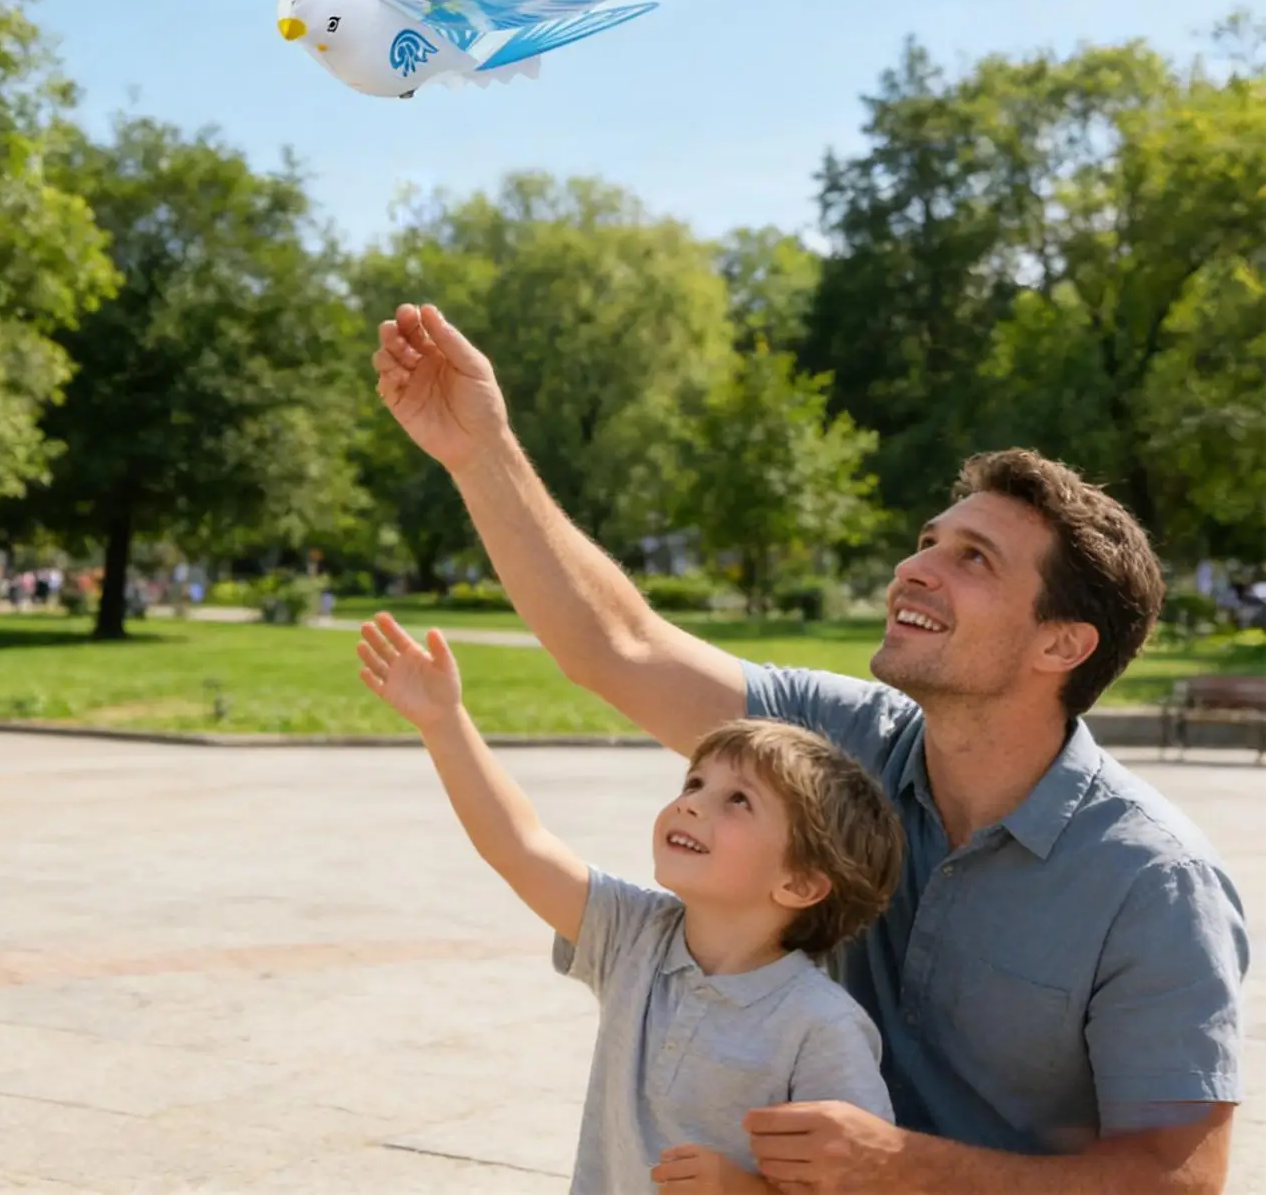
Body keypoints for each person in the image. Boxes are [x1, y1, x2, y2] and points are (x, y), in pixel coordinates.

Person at [370, 302, 1248, 1195]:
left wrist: (907, 1167)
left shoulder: (1152, 883)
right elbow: (617, 644)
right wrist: (479, 451)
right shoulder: (836, 745)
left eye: (973, 558)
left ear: (1060, 644)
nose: (915, 568)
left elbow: (1176, 1181)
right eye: (927, 541)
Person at [355, 612, 903, 1191]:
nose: (692, 803)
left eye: (737, 800)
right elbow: (519, 847)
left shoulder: (820, 1028)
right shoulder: (634, 936)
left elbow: (859, 1183)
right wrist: (444, 723)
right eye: (695, 784)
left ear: (799, 884)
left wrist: (744, 1189)